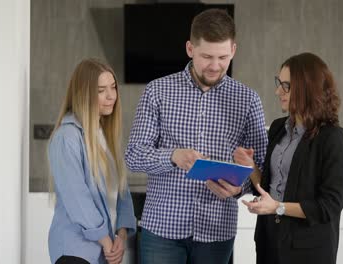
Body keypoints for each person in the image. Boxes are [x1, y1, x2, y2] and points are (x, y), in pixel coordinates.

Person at [125, 8, 268, 264]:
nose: (215, 66)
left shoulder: (247, 101)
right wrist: (173, 156)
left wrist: (239, 188)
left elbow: (262, 171)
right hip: (162, 229)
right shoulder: (157, 91)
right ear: (190, 49)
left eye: (223, 57)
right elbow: (133, 156)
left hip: (216, 231)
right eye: (207, 57)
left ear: (234, 50)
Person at [235, 52, 343, 264]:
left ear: (307, 87)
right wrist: (250, 166)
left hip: (308, 251)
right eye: (279, 83)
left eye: (286, 85)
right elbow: (270, 187)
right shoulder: (278, 128)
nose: (278, 91)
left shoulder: (332, 138)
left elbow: (329, 206)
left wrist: (278, 207)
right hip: (269, 242)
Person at [47, 58, 136, 264]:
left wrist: (121, 236)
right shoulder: (67, 137)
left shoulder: (105, 135)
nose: (111, 96)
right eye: (100, 90)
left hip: (103, 250)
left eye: (113, 87)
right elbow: (78, 198)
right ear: (83, 94)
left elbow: (122, 192)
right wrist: (106, 241)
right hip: (75, 251)